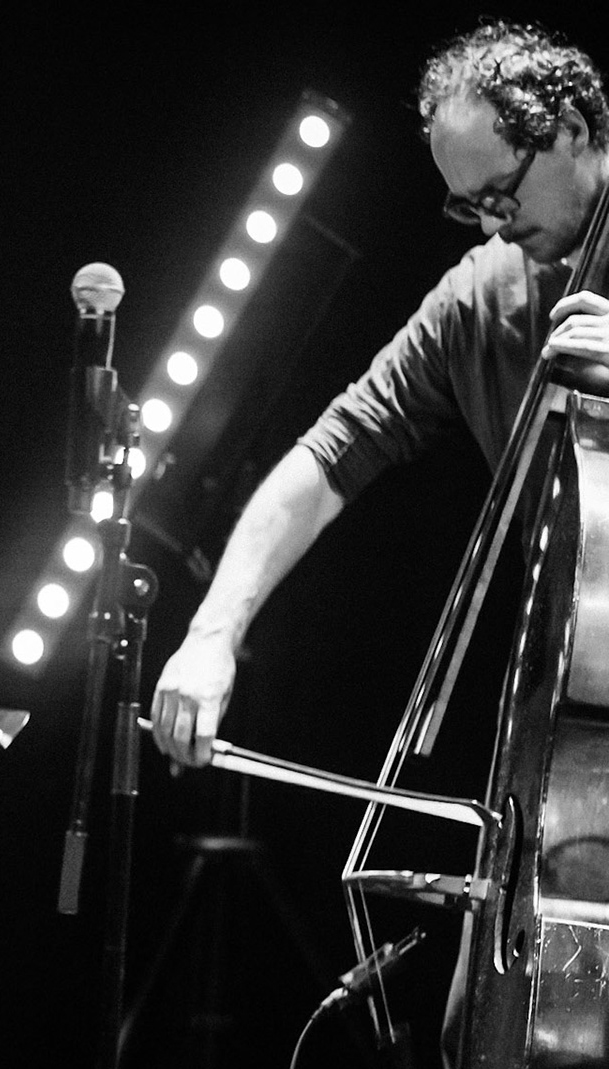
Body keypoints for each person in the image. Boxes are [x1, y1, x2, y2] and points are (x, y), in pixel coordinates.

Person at [151, 20, 609, 767]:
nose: (491, 225)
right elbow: (333, 454)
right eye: (469, 207)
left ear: (573, 130)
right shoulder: (479, 298)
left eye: (501, 194)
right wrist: (211, 635)